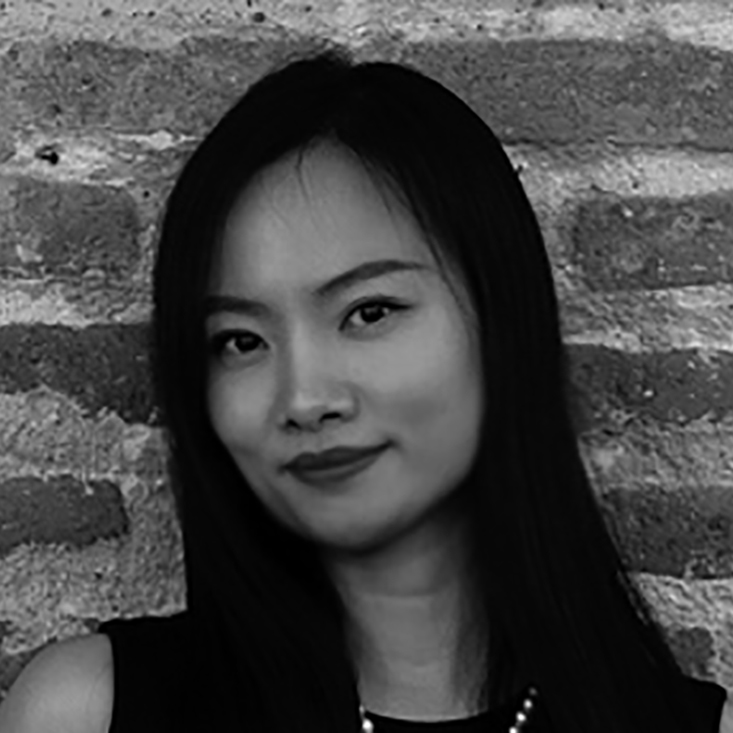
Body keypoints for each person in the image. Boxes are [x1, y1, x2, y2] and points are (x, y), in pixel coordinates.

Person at [0, 45, 730, 733]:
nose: (304, 398)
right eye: (241, 341)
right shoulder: (86, 712)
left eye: (369, 312)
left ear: (502, 319)